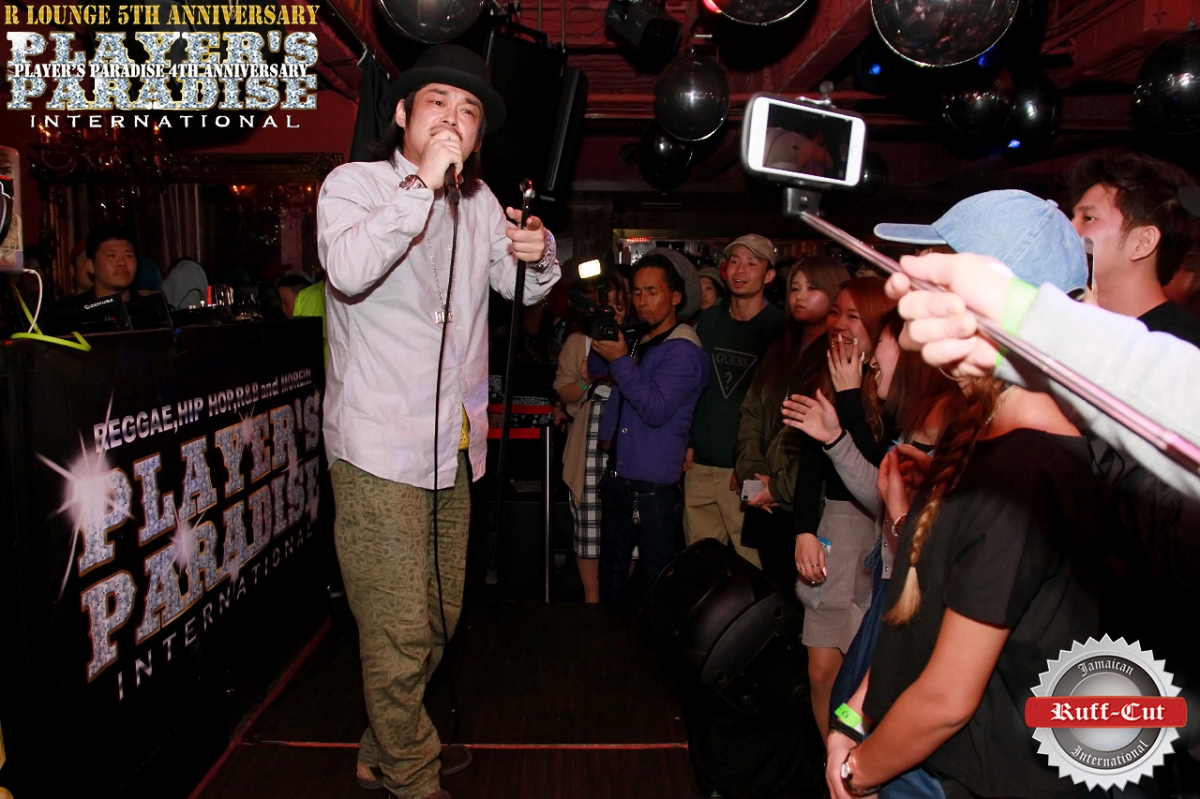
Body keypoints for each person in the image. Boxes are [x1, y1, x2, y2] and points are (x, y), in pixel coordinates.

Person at [316, 44, 559, 799]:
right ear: (402, 114)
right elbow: (348, 269)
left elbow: (520, 288)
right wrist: (420, 185)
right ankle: (413, 776)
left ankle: (381, 745)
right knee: (396, 626)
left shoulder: (479, 203)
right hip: (377, 447)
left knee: (440, 617)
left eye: (469, 111)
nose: (454, 119)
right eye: (438, 104)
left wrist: (539, 251)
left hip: (454, 447)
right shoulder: (353, 186)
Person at [824, 189, 1103, 799]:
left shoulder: (1028, 470)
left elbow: (947, 700)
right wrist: (850, 719)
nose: (910, 299)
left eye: (936, 282)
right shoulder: (979, 431)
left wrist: (857, 773)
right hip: (912, 759)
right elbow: (915, 618)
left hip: (959, 779)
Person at [788, 276, 894, 740]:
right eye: (835, 312)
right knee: (820, 671)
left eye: (853, 316)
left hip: (881, 531)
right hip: (835, 523)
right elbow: (810, 465)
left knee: (861, 669)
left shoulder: (895, 384)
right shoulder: (824, 375)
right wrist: (804, 530)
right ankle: (829, 757)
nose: (839, 324)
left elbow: (880, 471)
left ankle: (854, 759)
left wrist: (851, 396)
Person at [588, 249, 708, 603]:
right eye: (637, 292)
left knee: (658, 579)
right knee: (611, 571)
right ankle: (610, 635)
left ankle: (655, 639)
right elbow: (596, 367)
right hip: (620, 474)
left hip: (653, 485)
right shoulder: (640, 336)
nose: (642, 301)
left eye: (652, 292)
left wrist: (620, 359)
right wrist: (606, 330)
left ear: (676, 297)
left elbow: (655, 409)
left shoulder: (684, 349)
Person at [735, 256, 848, 587]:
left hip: (808, 505)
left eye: (812, 288)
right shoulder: (778, 350)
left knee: (807, 598)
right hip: (765, 500)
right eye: (795, 288)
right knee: (770, 590)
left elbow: (826, 445)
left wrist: (777, 488)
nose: (800, 296)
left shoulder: (838, 357)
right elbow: (751, 415)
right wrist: (753, 478)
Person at [684, 234, 784, 568]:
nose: (740, 270)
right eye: (735, 261)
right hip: (701, 466)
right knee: (699, 566)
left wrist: (752, 465)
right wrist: (689, 441)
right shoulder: (710, 320)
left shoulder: (779, 327)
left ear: (769, 275)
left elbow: (778, 408)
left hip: (747, 471)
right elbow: (696, 387)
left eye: (752, 263)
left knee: (754, 567)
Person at [1068, 151, 1200, 347]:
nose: (1068, 227)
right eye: (1072, 217)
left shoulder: (1182, 348)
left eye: (1089, 218)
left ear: (1143, 243)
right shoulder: (1068, 323)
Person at [555, 272, 632, 603]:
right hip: (589, 436)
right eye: (604, 303)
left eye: (617, 303)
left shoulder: (639, 338)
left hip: (630, 436)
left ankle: (618, 601)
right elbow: (564, 392)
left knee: (628, 520)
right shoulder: (578, 342)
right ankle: (592, 600)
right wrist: (586, 380)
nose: (610, 310)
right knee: (588, 521)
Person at [76, 223, 138, 302]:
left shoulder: (150, 307)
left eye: (128, 255)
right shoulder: (74, 308)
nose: (122, 263)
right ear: (90, 266)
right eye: (111, 255)